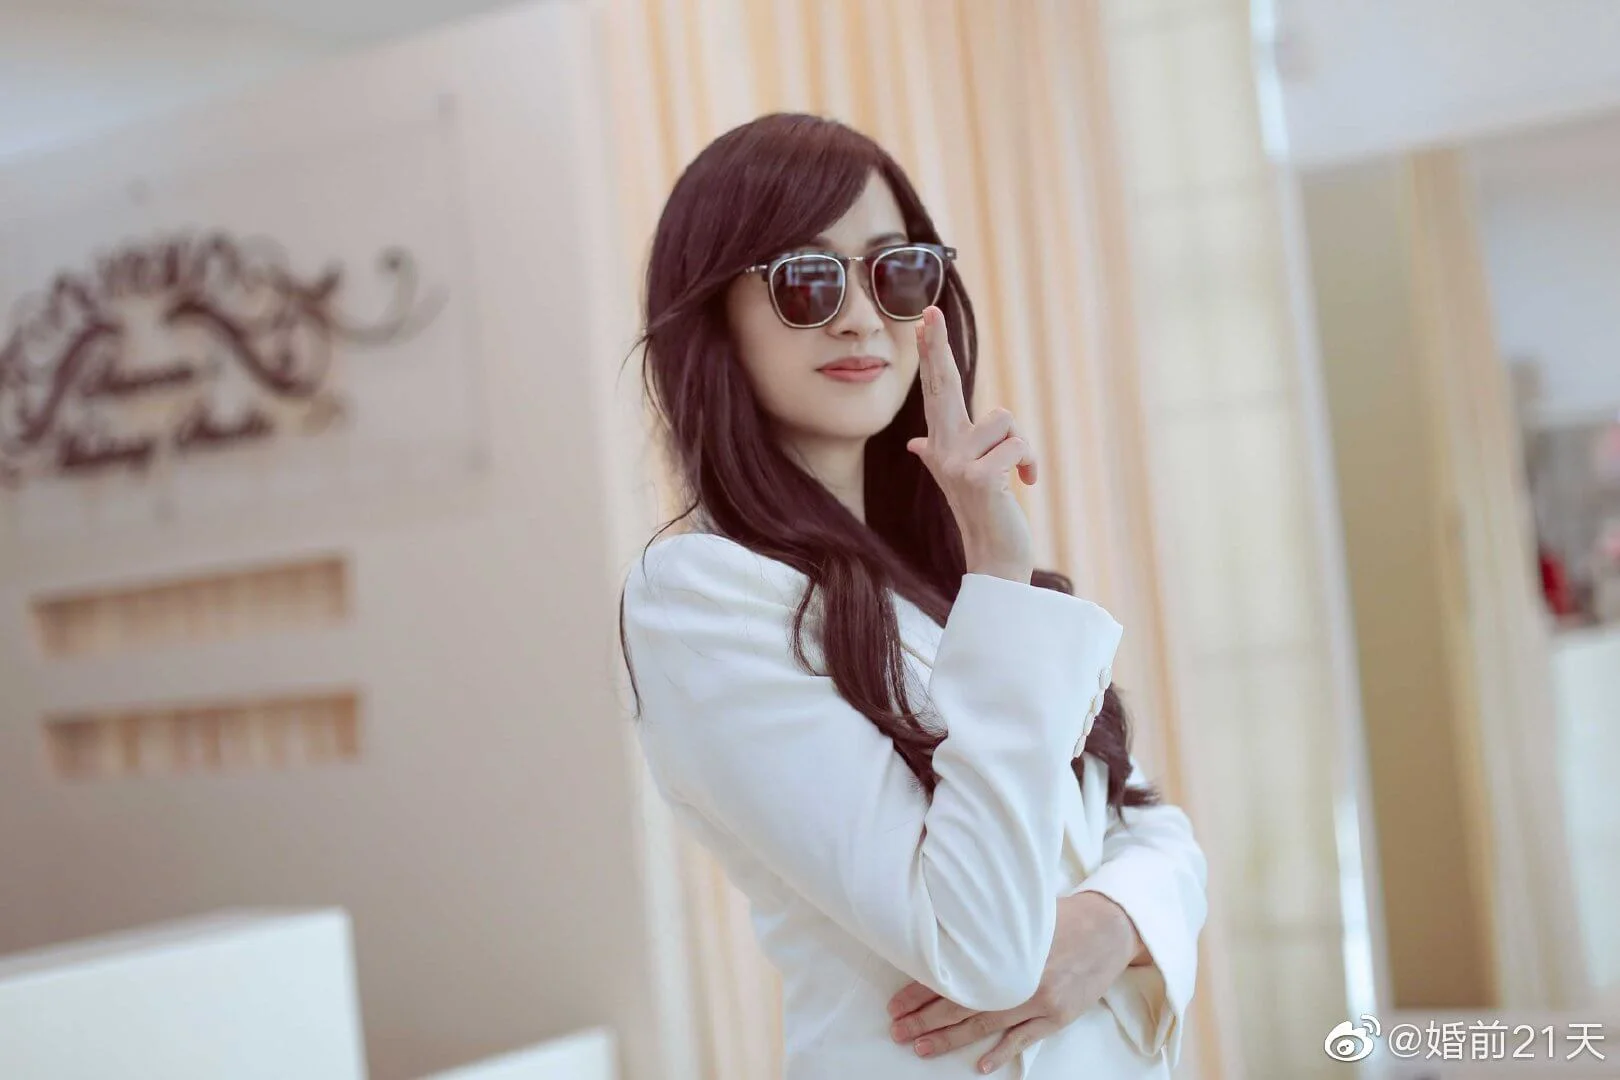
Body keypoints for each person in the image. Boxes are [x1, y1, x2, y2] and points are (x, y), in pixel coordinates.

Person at [619, 112, 1207, 1079]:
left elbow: (1153, 829)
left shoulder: (939, 576)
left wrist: (1112, 923)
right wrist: (1000, 582)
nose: (861, 316)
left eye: (895, 272)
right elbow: (982, 947)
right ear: (713, 316)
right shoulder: (702, 597)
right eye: (807, 280)